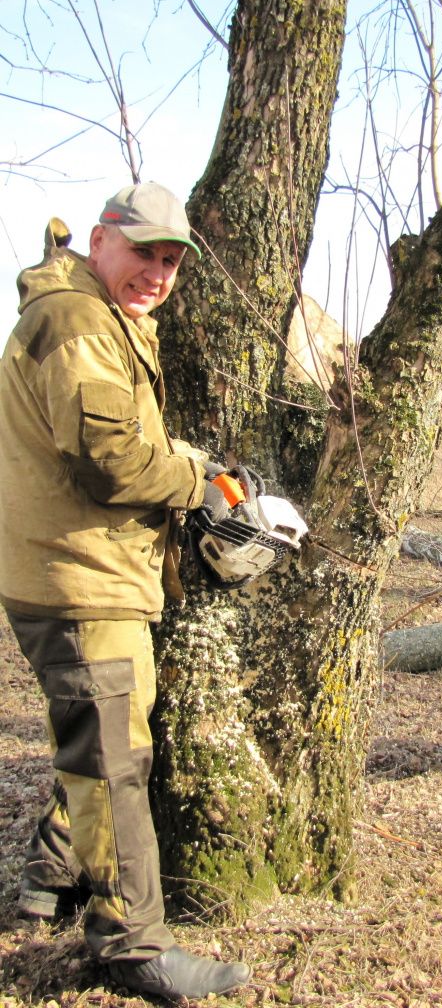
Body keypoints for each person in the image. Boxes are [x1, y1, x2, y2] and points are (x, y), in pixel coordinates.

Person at [0, 183, 251, 998]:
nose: (159, 272)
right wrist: (196, 483)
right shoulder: (76, 322)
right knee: (114, 763)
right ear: (102, 238)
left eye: (173, 260)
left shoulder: (104, 318)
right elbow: (108, 463)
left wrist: (190, 465)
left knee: (103, 745)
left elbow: (117, 435)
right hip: (78, 578)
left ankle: (50, 880)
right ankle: (132, 946)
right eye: (144, 250)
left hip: (84, 572)